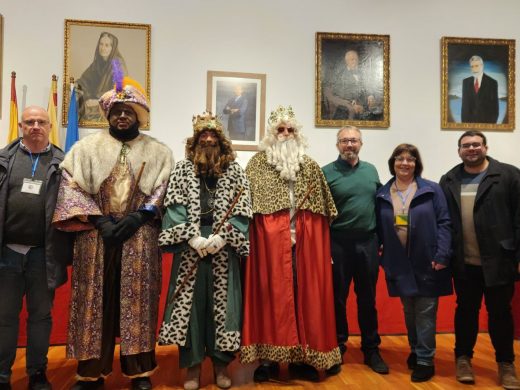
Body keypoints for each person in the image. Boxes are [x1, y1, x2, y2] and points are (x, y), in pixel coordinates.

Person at [52, 78, 173, 390]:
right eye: (117, 111)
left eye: (128, 111)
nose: (122, 116)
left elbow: (164, 190)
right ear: (108, 115)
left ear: (138, 116)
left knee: (138, 303)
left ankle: (140, 372)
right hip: (96, 237)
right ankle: (91, 373)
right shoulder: (85, 149)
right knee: (94, 303)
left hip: (140, 236)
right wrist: (99, 220)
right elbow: (70, 188)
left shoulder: (158, 151)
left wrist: (139, 216)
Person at [241, 105, 341, 383]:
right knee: (271, 298)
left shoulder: (309, 166)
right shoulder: (256, 166)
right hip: (268, 248)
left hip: (305, 247)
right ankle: (269, 359)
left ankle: (304, 359)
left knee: (304, 299)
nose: (286, 135)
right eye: (280, 130)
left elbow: (326, 212)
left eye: (290, 130)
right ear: (271, 135)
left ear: (298, 134)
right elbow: (246, 211)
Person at [158, 112, 252, 390]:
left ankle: (222, 366)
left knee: (223, 310)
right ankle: (193, 368)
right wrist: (193, 239)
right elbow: (173, 208)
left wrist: (223, 237)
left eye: (213, 136)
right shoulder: (181, 169)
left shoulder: (236, 171)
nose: (208, 139)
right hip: (191, 251)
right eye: (203, 136)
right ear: (196, 141)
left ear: (221, 141)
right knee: (191, 310)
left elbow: (243, 209)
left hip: (223, 249)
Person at [440, 130, 520, 389]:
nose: (471, 149)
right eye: (466, 145)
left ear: (485, 147)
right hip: (464, 263)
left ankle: (506, 364)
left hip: (500, 261)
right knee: (465, 313)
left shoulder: (508, 175)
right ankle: (463, 359)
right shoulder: (449, 179)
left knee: (500, 314)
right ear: (459, 150)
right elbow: (443, 221)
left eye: (476, 144)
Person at [0, 106, 72, 390]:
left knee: (41, 316)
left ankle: (37, 373)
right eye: (29, 122)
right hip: (7, 253)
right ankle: (3, 375)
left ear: (49, 126)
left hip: (45, 254)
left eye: (41, 121)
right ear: (21, 125)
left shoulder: (64, 163)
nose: (35, 126)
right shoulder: (4, 159)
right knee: (4, 316)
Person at [376, 144, 452, 382]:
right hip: (398, 262)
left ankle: (425, 360)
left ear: (416, 163)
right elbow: (378, 226)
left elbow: (445, 222)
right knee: (409, 311)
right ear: (393, 162)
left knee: (426, 312)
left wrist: (442, 255)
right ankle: (415, 349)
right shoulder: (382, 193)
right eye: (400, 159)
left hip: (427, 260)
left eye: (410, 159)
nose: (405, 163)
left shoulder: (431, 189)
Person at [322, 126, 388, 375]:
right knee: (337, 298)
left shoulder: (371, 170)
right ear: (337, 144)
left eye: (354, 140)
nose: (349, 145)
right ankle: (337, 346)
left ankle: (371, 348)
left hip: (368, 243)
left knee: (367, 298)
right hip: (337, 243)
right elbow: (319, 213)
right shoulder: (326, 173)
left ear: (361, 143)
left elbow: (382, 205)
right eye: (344, 141)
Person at [76, 32, 127, 122]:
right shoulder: (98, 62)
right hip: (94, 103)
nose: (103, 48)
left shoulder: (118, 65)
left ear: (112, 48)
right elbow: (84, 81)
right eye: (101, 44)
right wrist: (76, 86)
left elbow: (120, 93)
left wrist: (97, 101)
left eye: (107, 45)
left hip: (110, 108)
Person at [324, 50, 380, 120]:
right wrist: (352, 103)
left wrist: (370, 96)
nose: (354, 61)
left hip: (365, 107)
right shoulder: (340, 75)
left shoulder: (363, 73)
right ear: (347, 61)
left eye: (356, 59)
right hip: (347, 110)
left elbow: (369, 87)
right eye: (352, 59)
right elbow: (337, 93)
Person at [461, 55, 499, 124]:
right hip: (469, 126)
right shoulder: (465, 82)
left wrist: (489, 127)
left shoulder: (492, 83)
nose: (474, 69)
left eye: (476, 66)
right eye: (472, 66)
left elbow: (495, 110)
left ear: (482, 66)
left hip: (487, 125)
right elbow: (464, 108)